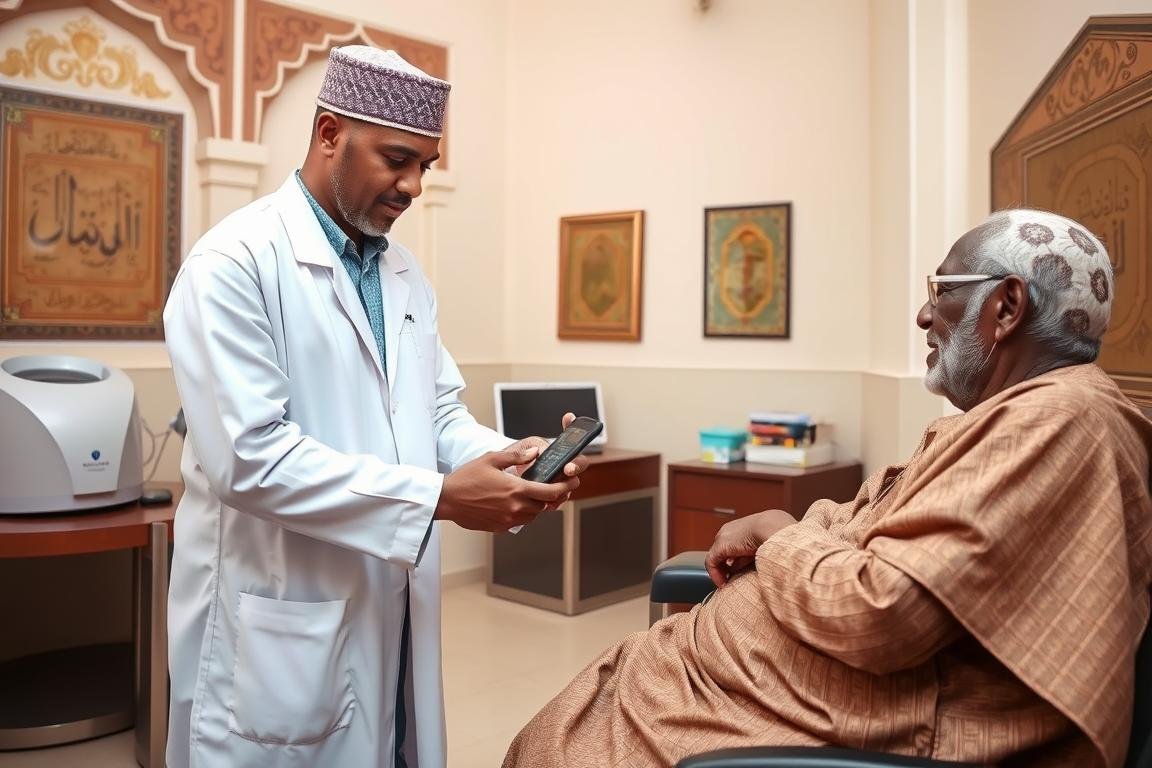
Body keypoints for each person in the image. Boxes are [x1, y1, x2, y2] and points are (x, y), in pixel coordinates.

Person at [503, 209, 1152, 768]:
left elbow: (882, 615)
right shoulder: (1011, 414)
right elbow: (867, 517)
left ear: (1006, 307)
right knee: (582, 707)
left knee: (562, 746)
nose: (925, 313)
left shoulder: (1055, 423)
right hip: (744, 680)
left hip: (835, 719)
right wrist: (789, 535)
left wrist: (778, 536)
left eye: (942, 289)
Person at [164, 46, 587, 768]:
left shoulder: (402, 272)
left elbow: (437, 411)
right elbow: (250, 458)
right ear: (330, 133)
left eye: (426, 164)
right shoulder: (233, 264)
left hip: (387, 606)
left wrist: (505, 457)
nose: (415, 185)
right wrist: (438, 500)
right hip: (278, 618)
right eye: (397, 159)